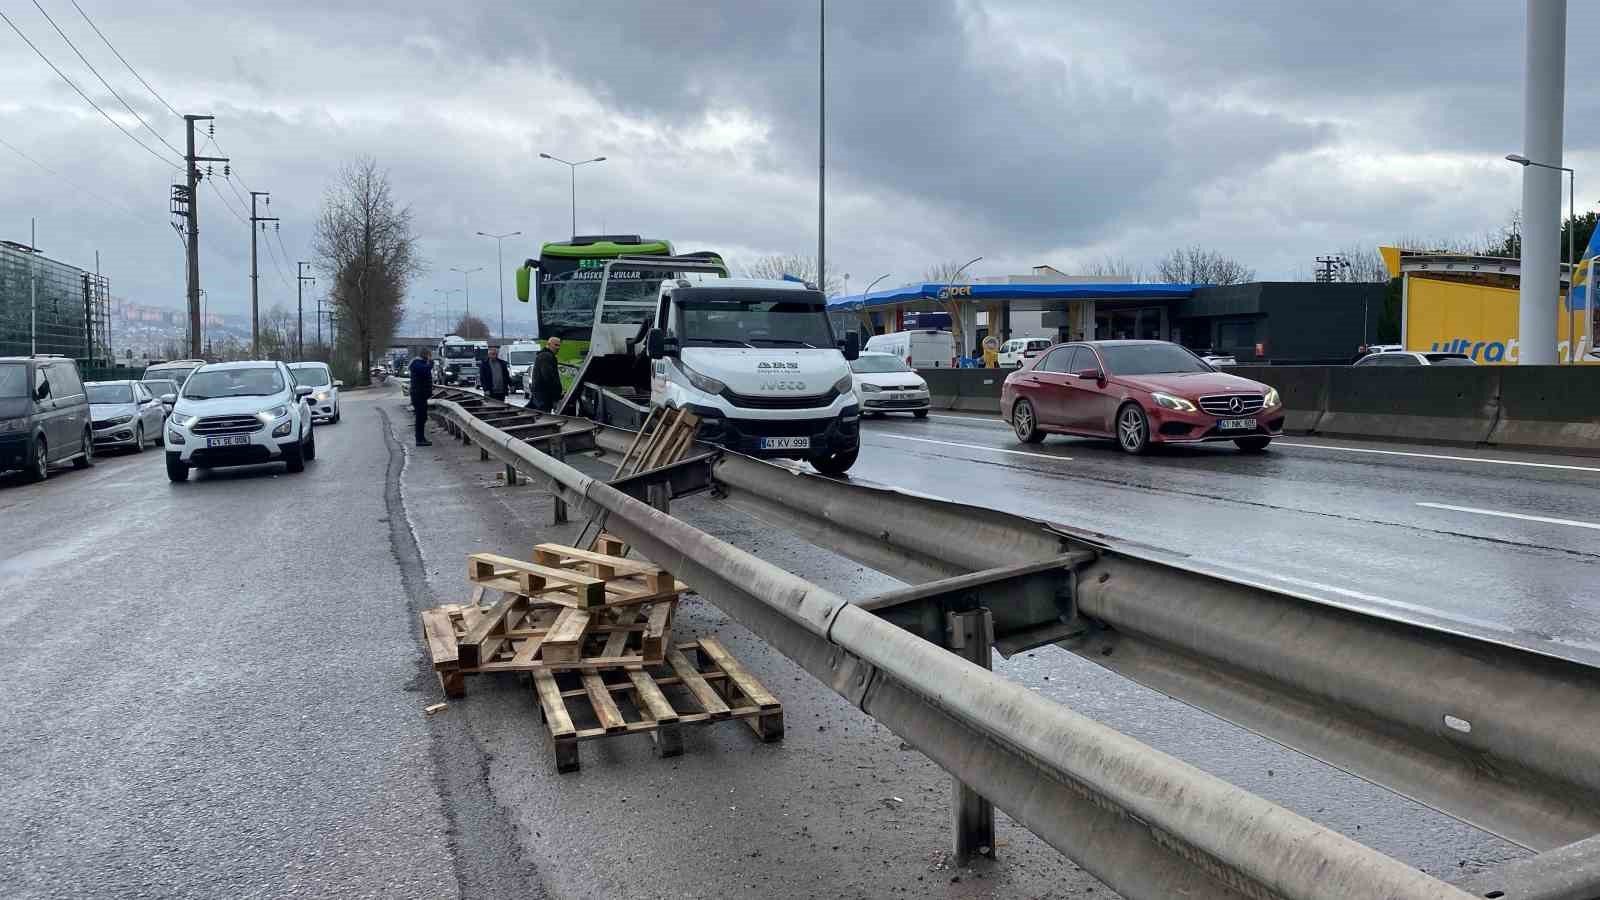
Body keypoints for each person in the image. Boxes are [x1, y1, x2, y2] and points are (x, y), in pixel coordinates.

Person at [530, 336, 563, 413]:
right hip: (544, 395)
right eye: (555, 345)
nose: (558, 348)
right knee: (543, 416)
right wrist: (556, 395)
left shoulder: (544, 355)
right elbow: (548, 377)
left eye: (559, 345)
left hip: (541, 394)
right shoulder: (546, 356)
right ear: (548, 344)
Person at [409, 348, 434, 446]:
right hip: (418, 395)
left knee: (423, 417)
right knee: (420, 417)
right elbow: (424, 370)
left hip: (421, 395)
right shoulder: (417, 363)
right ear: (426, 355)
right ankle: (419, 439)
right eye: (429, 355)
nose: (430, 357)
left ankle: (421, 438)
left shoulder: (420, 363)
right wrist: (430, 364)